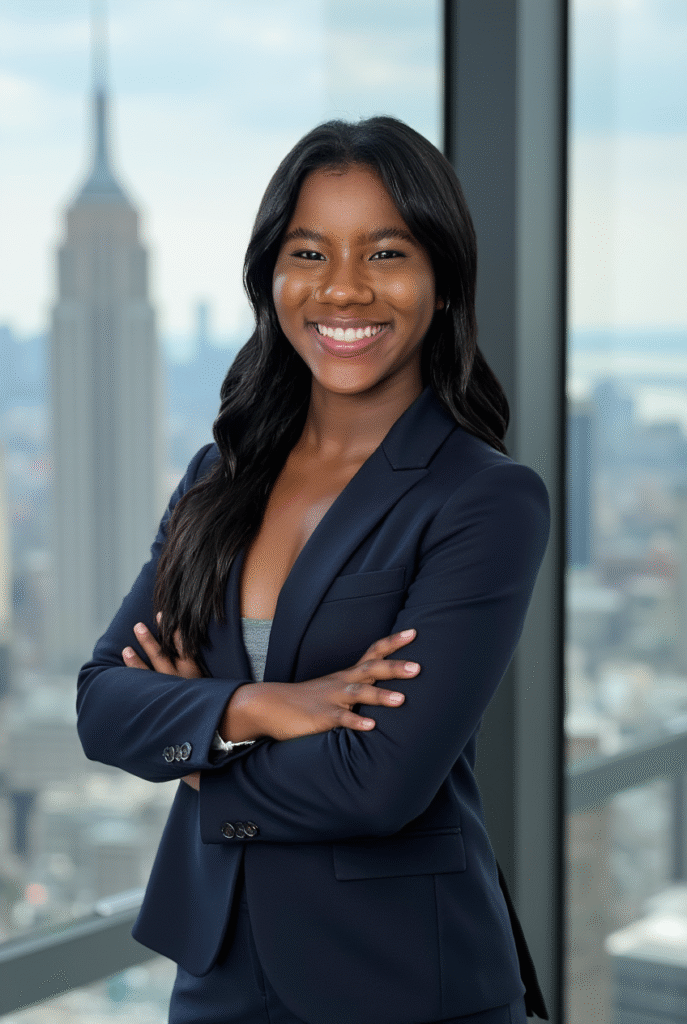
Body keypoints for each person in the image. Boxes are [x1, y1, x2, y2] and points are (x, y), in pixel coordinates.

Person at [77, 115, 551, 1024]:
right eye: (308, 251)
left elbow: (380, 783)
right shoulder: (221, 478)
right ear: (270, 278)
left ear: (441, 280)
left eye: (384, 253)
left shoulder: (482, 500)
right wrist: (257, 709)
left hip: (402, 981)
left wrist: (196, 758)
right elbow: (103, 705)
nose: (342, 289)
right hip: (216, 972)